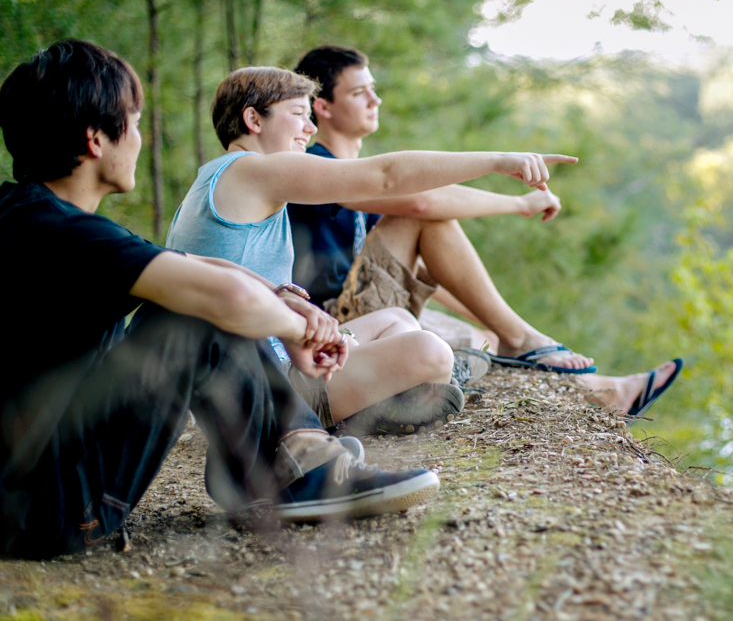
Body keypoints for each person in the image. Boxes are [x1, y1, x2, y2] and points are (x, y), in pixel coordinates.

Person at [0, 40, 439, 559]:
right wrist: (297, 329)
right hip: (52, 511)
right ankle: (296, 475)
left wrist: (281, 302)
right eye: (135, 124)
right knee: (197, 310)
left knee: (200, 296)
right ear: (97, 140)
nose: (140, 139)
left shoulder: (29, 216)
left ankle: (289, 461)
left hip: (30, 493)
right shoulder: (63, 232)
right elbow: (218, 290)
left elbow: (196, 265)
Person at [165, 66, 576, 434]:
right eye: (297, 114)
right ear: (253, 119)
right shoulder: (251, 170)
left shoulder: (217, 179)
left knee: (395, 318)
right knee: (431, 350)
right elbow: (385, 176)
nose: (309, 129)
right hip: (263, 388)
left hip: (266, 365)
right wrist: (500, 160)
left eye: (310, 116)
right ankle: (405, 393)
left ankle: (400, 394)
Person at [292, 45, 682, 416]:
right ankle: (523, 340)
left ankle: (603, 391)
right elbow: (422, 204)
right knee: (419, 216)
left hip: (368, 307)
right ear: (322, 106)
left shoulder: (353, 177)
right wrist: (519, 204)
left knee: (487, 340)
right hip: (338, 324)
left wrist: (492, 323)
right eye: (360, 93)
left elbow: (419, 271)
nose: (375, 101)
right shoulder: (318, 166)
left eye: (373, 90)